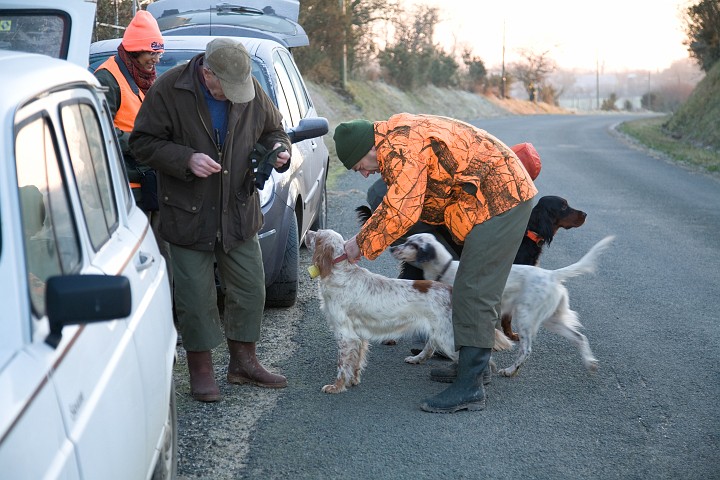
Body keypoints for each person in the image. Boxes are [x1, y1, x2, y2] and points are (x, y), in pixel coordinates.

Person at [333, 113, 538, 413]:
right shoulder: (393, 141)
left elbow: (402, 209)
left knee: (473, 288)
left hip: (501, 198)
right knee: (469, 284)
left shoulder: (402, 145)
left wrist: (359, 244)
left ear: (369, 148)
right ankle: (475, 369)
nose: (363, 174)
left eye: (359, 166)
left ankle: (470, 388)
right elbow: (399, 202)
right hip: (481, 200)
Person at [129, 37, 291, 402]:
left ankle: (243, 364)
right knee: (195, 298)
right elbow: (142, 142)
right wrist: (185, 159)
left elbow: (275, 131)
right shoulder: (169, 89)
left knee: (251, 289)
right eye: (227, 88)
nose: (235, 96)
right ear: (207, 73)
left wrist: (280, 150)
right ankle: (201, 371)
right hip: (188, 214)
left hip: (238, 210)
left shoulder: (249, 91)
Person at [94, 10, 172, 285]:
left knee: (158, 256)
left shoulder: (147, 78)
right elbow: (97, 131)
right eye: (151, 54)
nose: (156, 60)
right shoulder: (106, 78)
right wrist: (141, 145)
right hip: (124, 189)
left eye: (158, 54)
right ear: (135, 50)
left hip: (150, 182)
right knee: (133, 260)